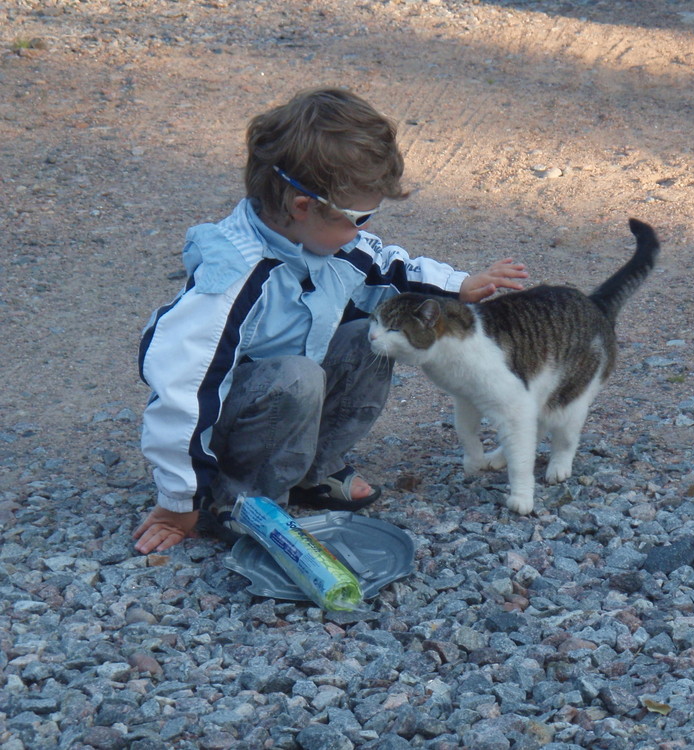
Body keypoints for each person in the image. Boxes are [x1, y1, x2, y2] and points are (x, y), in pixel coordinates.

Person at [133, 87, 528, 554]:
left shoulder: (328, 242)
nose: (363, 230)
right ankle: (241, 500)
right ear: (303, 207)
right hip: (228, 423)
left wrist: (459, 285)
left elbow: (389, 269)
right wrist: (178, 498)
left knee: (373, 337)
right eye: (359, 216)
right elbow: (184, 388)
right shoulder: (233, 276)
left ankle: (310, 471)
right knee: (296, 376)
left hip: (291, 401)